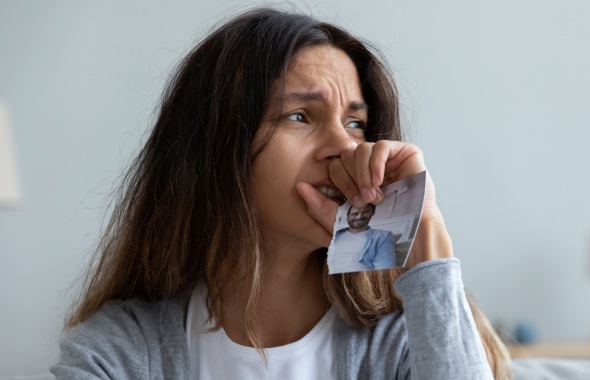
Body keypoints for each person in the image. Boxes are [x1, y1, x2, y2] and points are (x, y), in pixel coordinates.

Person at [51, 7, 511, 380]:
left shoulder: (405, 340)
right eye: (300, 116)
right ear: (218, 150)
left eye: (355, 123)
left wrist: (423, 229)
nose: (346, 147)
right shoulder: (118, 354)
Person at [332, 204, 397, 271]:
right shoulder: (335, 234)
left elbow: (384, 265)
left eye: (365, 212)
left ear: (372, 213)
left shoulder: (383, 236)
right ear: (348, 216)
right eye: (355, 214)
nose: (359, 217)